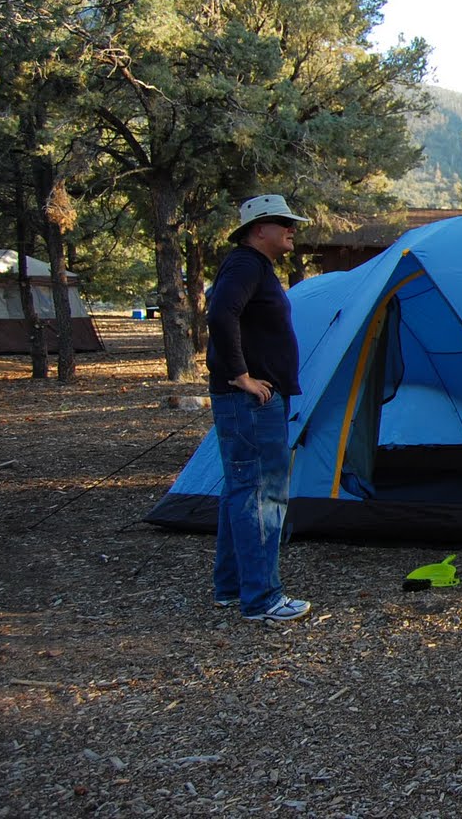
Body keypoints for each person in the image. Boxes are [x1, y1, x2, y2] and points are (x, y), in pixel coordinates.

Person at [206, 194, 313, 624]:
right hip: (250, 401)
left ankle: (232, 587)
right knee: (261, 492)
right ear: (258, 229)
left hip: (248, 401)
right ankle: (263, 598)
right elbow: (220, 313)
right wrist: (241, 375)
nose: (291, 229)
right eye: (283, 222)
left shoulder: (251, 266)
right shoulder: (247, 264)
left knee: (240, 489)